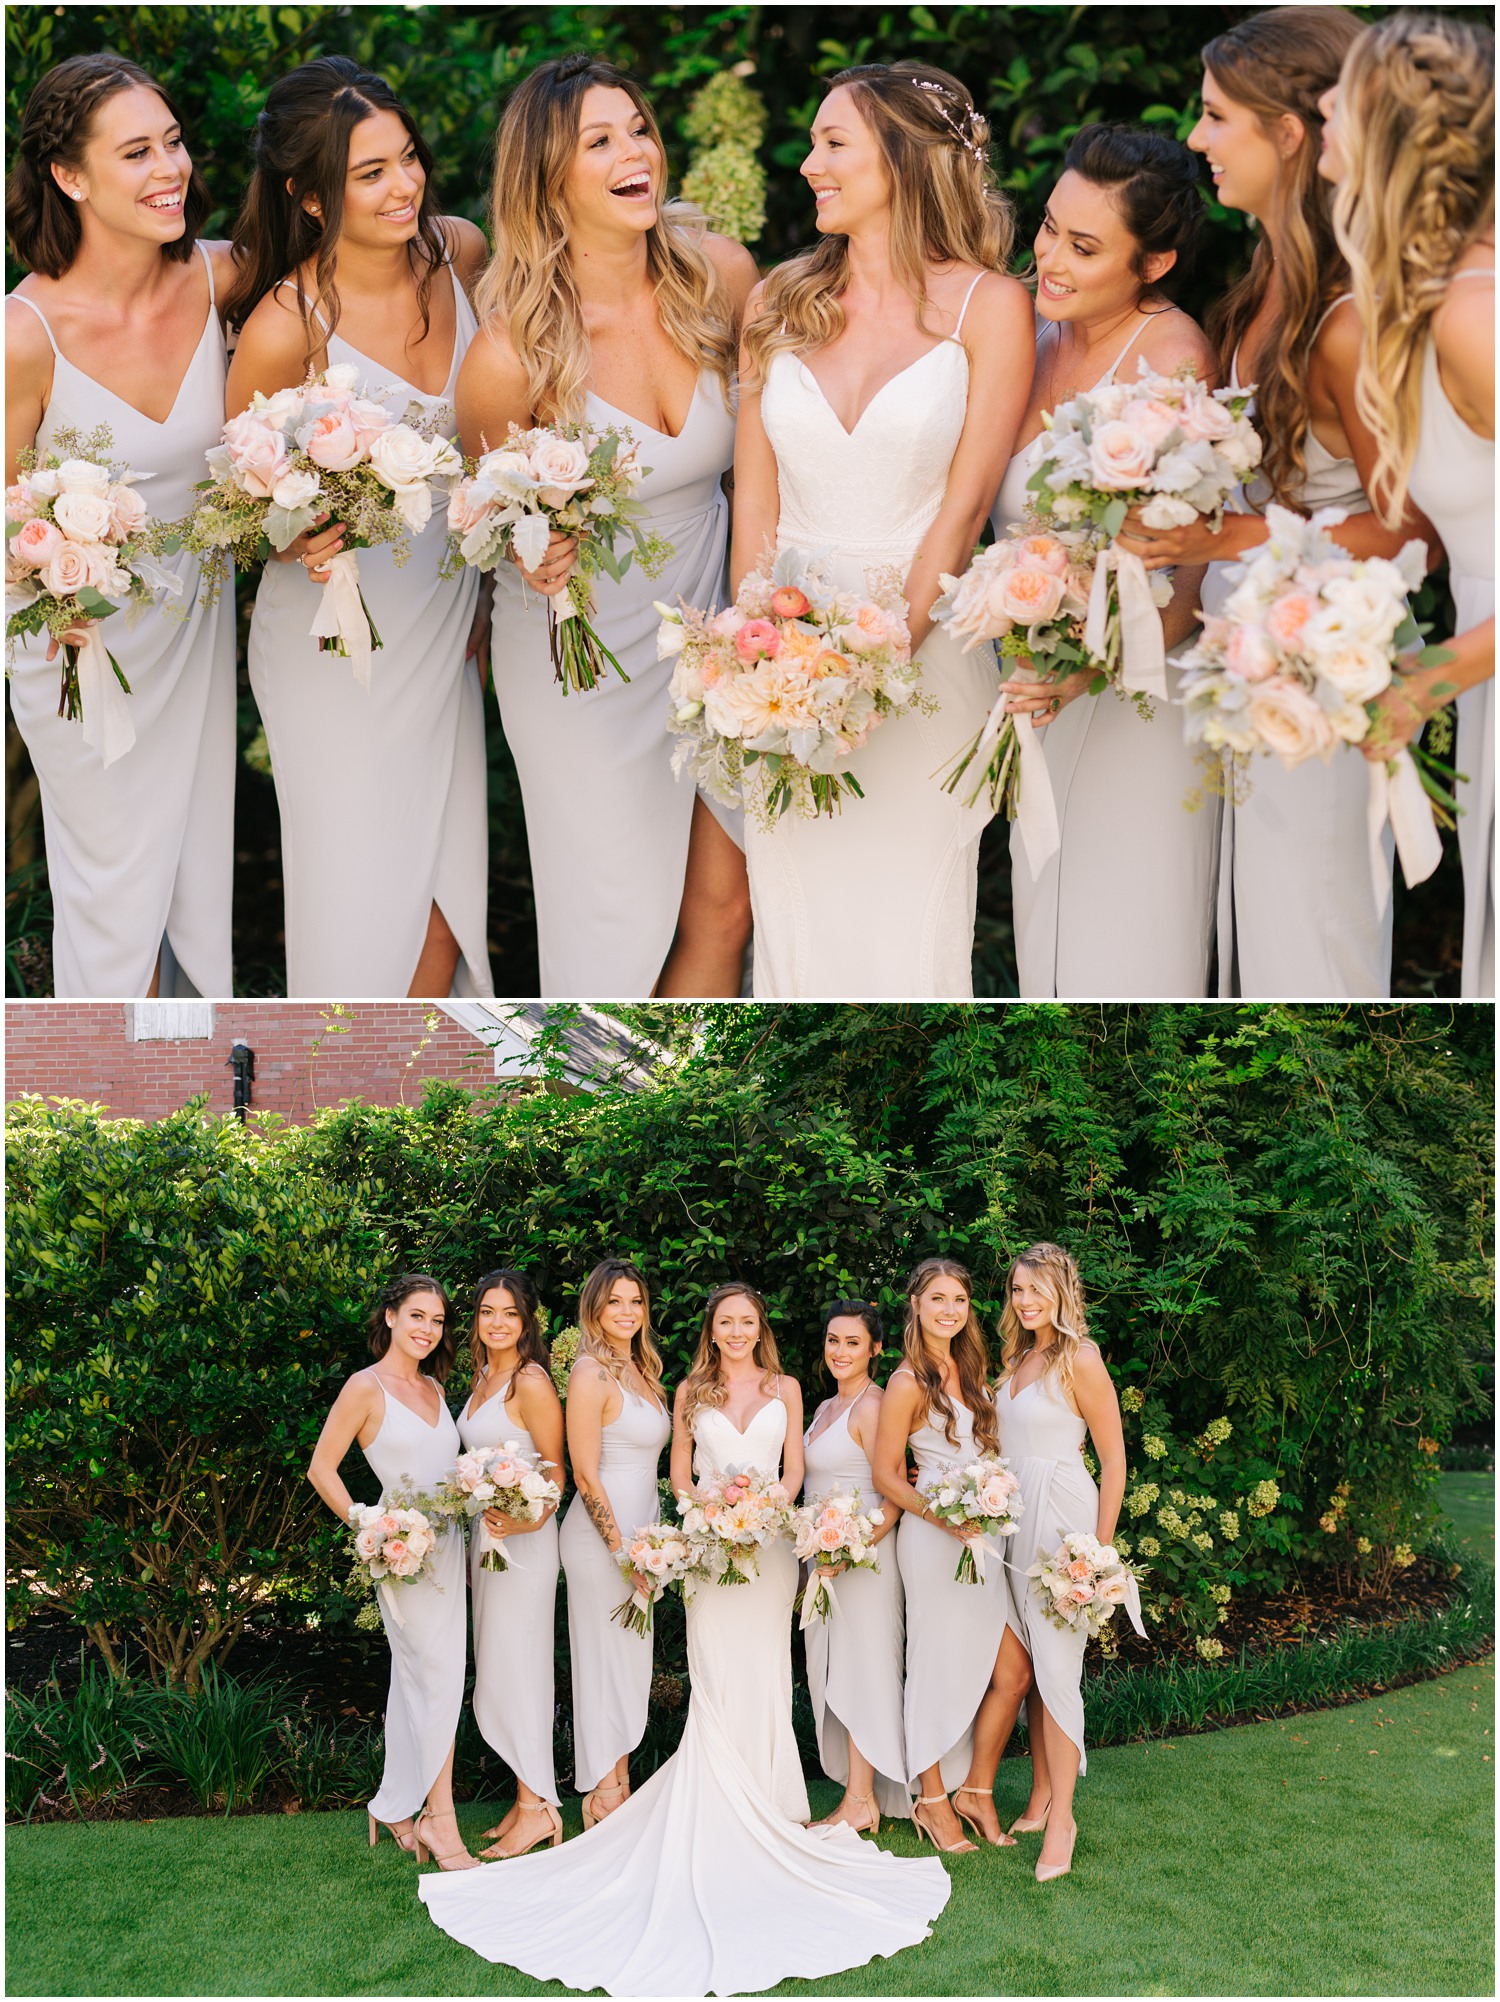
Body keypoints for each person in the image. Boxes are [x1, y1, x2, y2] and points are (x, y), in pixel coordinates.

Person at [420, 1282, 950, 1996]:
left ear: (760, 1328)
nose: (736, 1330)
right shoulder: (688, 1389)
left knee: (765, 1664)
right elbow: (676, 1473)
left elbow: (795, 1470)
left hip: (764, 1548)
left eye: (747, 1321)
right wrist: (709, 1511)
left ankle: (769, 1797)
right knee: (712, 1669)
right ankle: (698, 1795)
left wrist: (761, 1509)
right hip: (707, 1549)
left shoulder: (789, 1386)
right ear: (712, 1329)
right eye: (724, 1321)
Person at [1118, 7, 1438, 999]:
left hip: (1322, 683)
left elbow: (1414, 523)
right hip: (1247, 676)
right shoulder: (1264, 289)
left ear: (1289, 134)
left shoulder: (1347, 320)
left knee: (1311, 954)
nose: (1199, 139)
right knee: (1257, 957)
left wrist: (1229, 532)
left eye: (1218, 117)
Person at [456, 55, 756, 999]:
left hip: (715, 633)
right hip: (579, 661)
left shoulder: (722, 277)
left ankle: (688, 1117)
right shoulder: (511, 351)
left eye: (639, 129)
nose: (638, 154)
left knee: (726, 906)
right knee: (617, 918)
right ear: (549, 180)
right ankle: (585, 1117)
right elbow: (483, 522)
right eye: (600, 141)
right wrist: (528, 548)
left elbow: (775, 455)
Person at [733, 60, 1034, 997]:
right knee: (796, 933)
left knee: (914, 935)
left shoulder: (992, 305)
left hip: (926, 658)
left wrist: (877, 659)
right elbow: (755, 511)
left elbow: (967, 506)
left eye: (834, 144)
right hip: (782, 667)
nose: (810, 165)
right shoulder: (776, 301)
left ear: (902, 161)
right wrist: (761, 662)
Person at [225, 56, 492, 997]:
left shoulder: (460, 253)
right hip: (336, 649)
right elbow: (242, 505)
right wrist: (290, 534)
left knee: (447, 899)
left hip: (447, 626)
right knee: (357, 897)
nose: (405, 185)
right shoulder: (285, 324)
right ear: (307, 194)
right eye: (370, 172)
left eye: (407, 158)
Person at [5, 54, 236, 997]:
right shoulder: (25, 334)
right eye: (136, 152)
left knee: (194, 878)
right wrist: (50, 587)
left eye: (173, 143)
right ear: (70, 176)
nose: (169, 169)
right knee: (113, 895)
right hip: (78, 646)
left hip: (196, 630)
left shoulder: (224, 278)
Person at [992, 123, 1219, 998]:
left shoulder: (1171, 359)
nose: (1051, 257)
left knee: (1125, 945)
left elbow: (1191, 565)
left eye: (1084, 247)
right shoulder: (1031, 324)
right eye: (1049, 227)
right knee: (1045, 937)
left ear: (1153, 263)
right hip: (1035, 686)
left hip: (1134, 693)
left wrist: (1088, 667)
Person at [1323, 11, 1495, 997]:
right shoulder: (1425, 305)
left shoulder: (1477, 316)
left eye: (1339, 93)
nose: (1320, 107)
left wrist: (1431, 676)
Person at [306, 1274, 474, 1869]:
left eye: (437, 1320)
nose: (428, 1329)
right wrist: (369, 1523)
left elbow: (444, 1471)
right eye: (417, 1317)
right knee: (436, 1678)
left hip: (450, 1548)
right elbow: (322, 1469)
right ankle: (441, 1821)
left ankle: (396, 1805)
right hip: (403, 1556)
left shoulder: (434, 1386)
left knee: (421, 1679)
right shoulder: (365, 1386)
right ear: (391, 1317)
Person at [991, 1243, 1140, 1883]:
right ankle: (1037, 1797)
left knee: (1057, 1668)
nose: (1024, 1301)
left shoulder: (1081, 1357)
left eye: (1035, 1290)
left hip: (1061, 1522)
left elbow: (1113, 1461)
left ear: (1061, 1291)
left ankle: (1063, 1821)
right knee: (1027, 1660)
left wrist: (1096, 1553)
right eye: (1017, 1291)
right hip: (1010, 1519)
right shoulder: (1016, 1356)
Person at [873, 1255, 1031, 1854]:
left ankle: (978, 1791)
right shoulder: (908, 1382)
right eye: (937, 1299)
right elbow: (887, 1475)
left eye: (959, 1300)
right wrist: (948, 1518)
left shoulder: (975, 1372)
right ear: (916, 1305)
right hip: (933, 1539)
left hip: (981, 1539)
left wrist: (986, 1509)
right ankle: (933, 1799)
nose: (949, 1310)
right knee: (933, 1667)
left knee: (1014, 1673)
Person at [556, 1257, 671, 1827]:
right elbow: (583, 1473)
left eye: (635, 1302)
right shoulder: (589, 1374)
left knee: (629, 1663)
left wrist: (650, 1547)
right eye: (614, 1303)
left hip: (641, 1538)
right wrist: (622, 1550)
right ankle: (604, 1794)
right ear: (594, 1311)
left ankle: (618, 1780)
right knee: (603, 1660)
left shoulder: (643, 1372)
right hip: (602, 1540)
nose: (626, 1312)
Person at [456, 1269, 564, 1858]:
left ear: (526, 1323)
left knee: (521, 1665)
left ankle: (536, 1810)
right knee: (498, 1665)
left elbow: (555, 1471)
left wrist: (525, 1521)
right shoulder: (481, 1377)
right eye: (487, 1312)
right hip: (485, 1542)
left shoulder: (530, 1381)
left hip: (523, 1543)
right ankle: (526, 1796)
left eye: (509, 1314)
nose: (496, 1323)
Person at [802, 1299, 909, 1828]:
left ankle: (861, 1802)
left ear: (876, 1349)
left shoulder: (874, 1406)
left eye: (852, 1342)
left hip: (862, 1561)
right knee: (834, 1668)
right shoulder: (826, 1408)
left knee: (862, 1669)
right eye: (833, 1340)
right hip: (826, 1559)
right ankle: (855, 1794)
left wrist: (851, 1548)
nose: (840, 1351)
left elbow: (893, 1493)